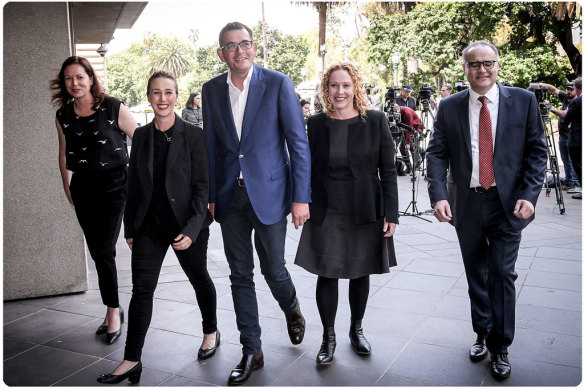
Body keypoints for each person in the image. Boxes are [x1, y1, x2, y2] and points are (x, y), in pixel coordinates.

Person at [426, 40, 547, 380]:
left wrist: (530, 195)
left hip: (508, 204)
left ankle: (501, 345)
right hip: (467, 202)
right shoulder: (449, 106)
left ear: (497, 65)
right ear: (465, 68)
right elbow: (436, 153)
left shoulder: (522, 101)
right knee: (476, 272)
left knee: (502, 273)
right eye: (474, 64)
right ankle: (482, 331)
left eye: (488, 63)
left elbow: (538, 151)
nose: (481, 69)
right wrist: (439, 195)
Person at [201, 22, 311, 385]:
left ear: (254, 49)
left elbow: (298, 143)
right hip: (230, 197)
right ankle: (253, 349)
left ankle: (291, 306)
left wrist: (300, 198)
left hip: (271, 194)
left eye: (245, 44)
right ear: (222, 54)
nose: (239, 51)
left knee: (274, 269)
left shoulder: (278, 83)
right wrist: (213, 197)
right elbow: (213, 149)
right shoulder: (211, 90)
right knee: (239, 275)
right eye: (231, 46)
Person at [97, 71, 218, 384]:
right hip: (150, 226)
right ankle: (131, 359)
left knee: (199, 279)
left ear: (176, 96)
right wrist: (130, 228)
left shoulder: (194, 135)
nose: (162, 98)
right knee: (142, 291)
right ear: (149, 96)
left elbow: (202, 188)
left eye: (168, 92)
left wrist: (192, 230)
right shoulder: (142, 136)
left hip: (185, 225)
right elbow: (134, 186)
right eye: (156, 92)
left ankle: (210, 331)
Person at [295, 62, 398, 366]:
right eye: (333, 85)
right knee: (327, 273)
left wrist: (391, 213)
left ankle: (356, 329)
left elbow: (388, 171)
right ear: (326, 90)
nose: (340, 91)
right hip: (326, 208)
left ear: (356, 88)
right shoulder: (315, 124)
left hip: (365, 207)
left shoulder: (375, 121)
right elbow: (306, 169)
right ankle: (328, 337)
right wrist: (300, 201)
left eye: (345, 85)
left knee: (359, 271)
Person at [51, 56, 137, 345]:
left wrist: (142, 179)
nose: (74, 83)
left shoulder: (113, 107)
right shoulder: (63, 115)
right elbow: (64, 153)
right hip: (84, 187)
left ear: (90, 78)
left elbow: (140, 140)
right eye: (68, 78)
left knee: (103, 250)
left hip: (115, 185)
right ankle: (112, 307)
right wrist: (68, 186)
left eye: (79, 77)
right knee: (99, 251)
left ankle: (113, 310)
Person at [540, 81, 581, 193]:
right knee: (566, 161)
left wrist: (549, 107)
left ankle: (577, 184)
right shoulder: (565, 98)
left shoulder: (577, 102)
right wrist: (542, 85)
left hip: (571, 136)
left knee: (573, 161)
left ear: (576, 90)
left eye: (571, 89)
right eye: (567, 89)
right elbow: (554, 89)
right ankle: (569, 182)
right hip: (563, 136)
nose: (569, 91)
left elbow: (564, 114)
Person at [564, 77, 582, 199]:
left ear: (576, 88)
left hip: (577, 139)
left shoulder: (577, 102)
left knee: (578, 165)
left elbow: (566, 119)